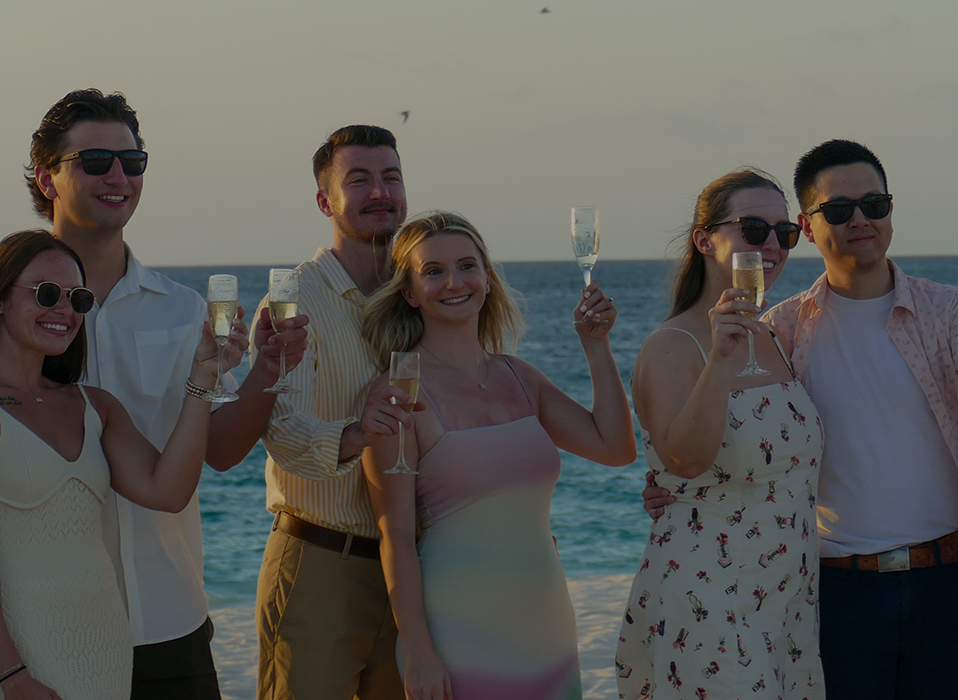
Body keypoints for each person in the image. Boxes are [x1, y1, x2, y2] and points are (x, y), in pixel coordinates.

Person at [22, 88, 261, 698]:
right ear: (48, 178)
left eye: (133, 162)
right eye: (95, 162)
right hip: (44, 631)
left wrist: (272, 372)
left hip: (170, 618)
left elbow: (224, 451)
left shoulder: (183, 312)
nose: (119, 177)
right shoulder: (11, 309)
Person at [758, 139, 958, 697]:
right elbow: (749, 448)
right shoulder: (783, 330)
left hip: (945, 581)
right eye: (839, 209)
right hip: (838, 592)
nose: (861, 219)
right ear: (807, 226)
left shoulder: (947, 308)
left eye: (875, 205)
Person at [359, 211, 636, 698]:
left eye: (467, 265)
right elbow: (396, 534)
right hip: (458, 632)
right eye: (434, 271)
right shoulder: (399, 391)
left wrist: (596, 347)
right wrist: (420, 652)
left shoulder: (520, 377)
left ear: (487, 277)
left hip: (545, 623)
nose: (454, 282)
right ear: (409, 292)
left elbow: (615, 448)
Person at [614, 169, 823, 698]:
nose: (771, 245)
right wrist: (720, 360)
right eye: (753, 229)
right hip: (709, 601)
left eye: (784, 232)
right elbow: (684, 460)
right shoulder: (673, 346)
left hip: (787, 602)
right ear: (705, 239)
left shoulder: (774, 334)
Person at [0, 229, 220, 700]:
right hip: (21, 659)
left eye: (77, 298)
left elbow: (168, 491)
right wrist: (10, 674)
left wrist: (202, 379)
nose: (63, 309)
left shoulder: (94, 406)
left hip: (105, 648)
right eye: (45, 293)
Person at [252, 125, 414, 700]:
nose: (380, 192)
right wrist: (357, 431)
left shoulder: (422, 292)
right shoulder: (293, 300)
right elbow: (283, 437)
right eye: (360, 179)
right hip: (322, 564)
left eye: (391, 177)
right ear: (325, 201)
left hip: (414, 575)